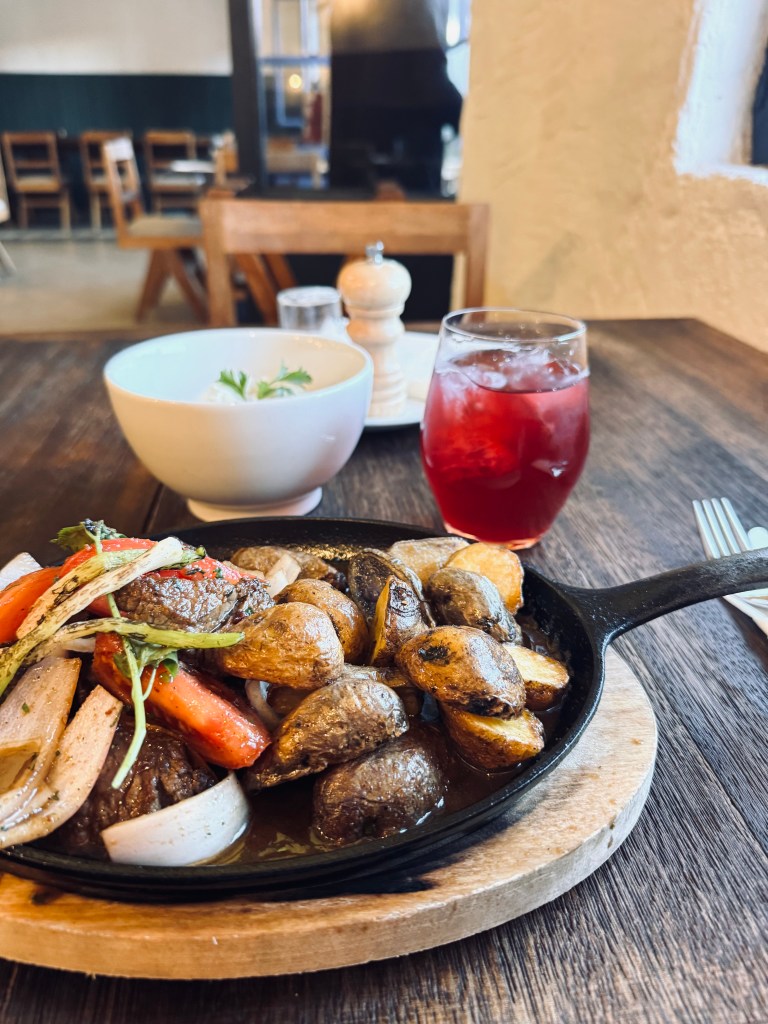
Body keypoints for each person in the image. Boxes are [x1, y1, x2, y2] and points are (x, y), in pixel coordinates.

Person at [329, 0, 463, 194]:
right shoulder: (414, 11)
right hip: (408, 171)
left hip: (355, 170)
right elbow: (432, 84)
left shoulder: (348, 12)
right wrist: (468, 118)